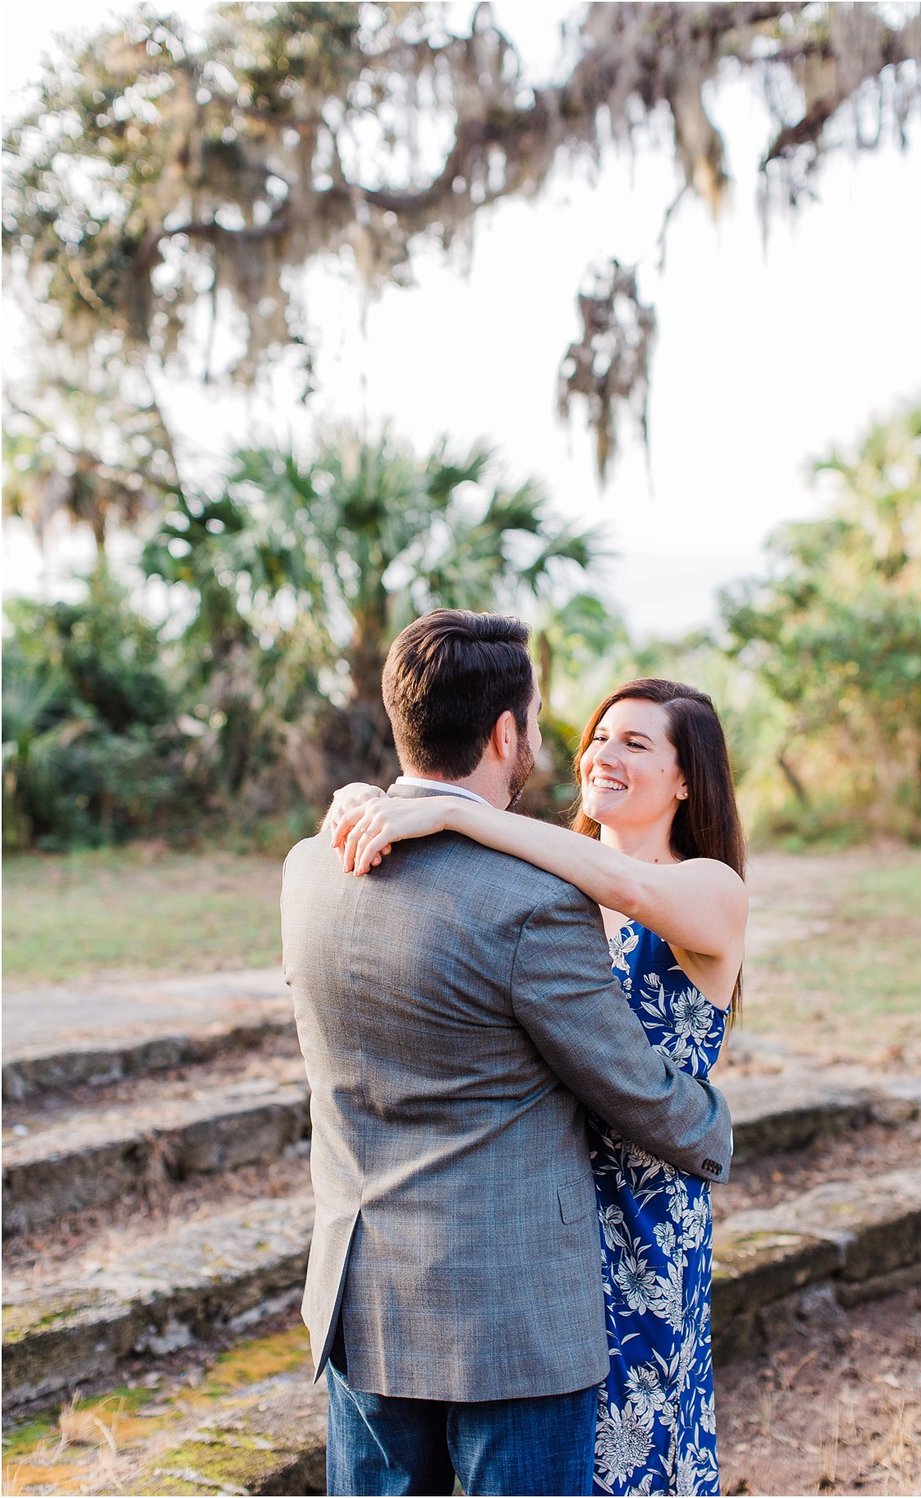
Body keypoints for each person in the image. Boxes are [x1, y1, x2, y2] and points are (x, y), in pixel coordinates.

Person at [282, 609, 733, 1498]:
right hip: (525, 1271)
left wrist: (425, 807)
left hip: (617, 1238)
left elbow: (629, 886)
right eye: (591, 732)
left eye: (636, 743)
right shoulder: (539, 898)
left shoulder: (311, 867)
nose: (598, 751)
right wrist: (429, 810)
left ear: (689, 781)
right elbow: (628, 1078)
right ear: (504, 732)